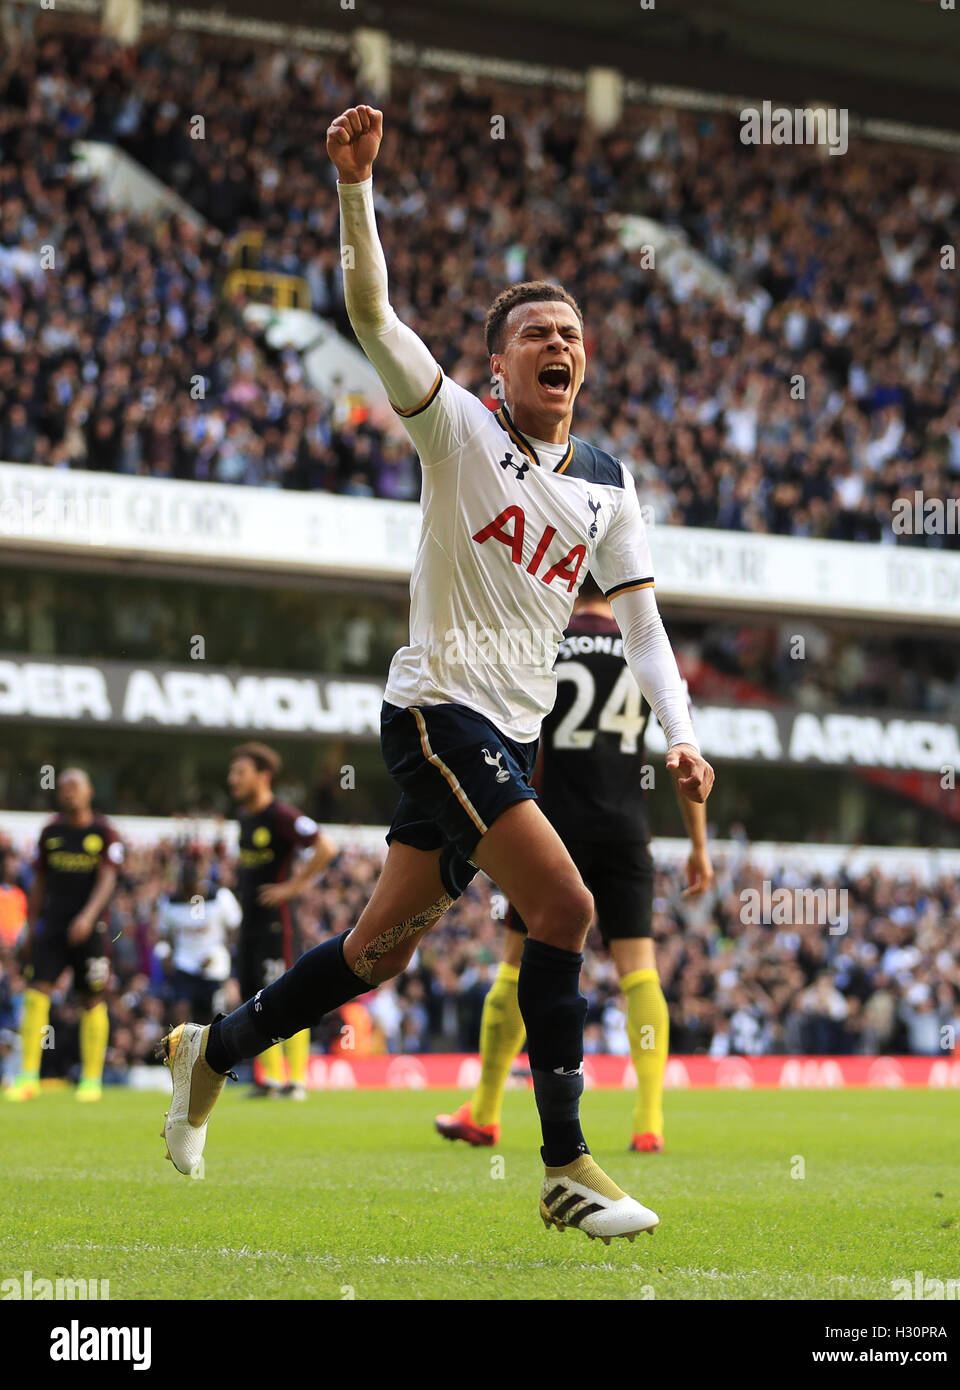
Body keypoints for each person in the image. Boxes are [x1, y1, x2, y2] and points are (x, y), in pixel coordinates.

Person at [160, 106, 713, 1246]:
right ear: (497, 360)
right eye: (535, 335)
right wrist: (355, 189)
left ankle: (208, 1051)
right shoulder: (455, 428)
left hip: (507, 738)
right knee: (564, 903)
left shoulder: (610, 487)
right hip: (434, 712)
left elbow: (648, 630)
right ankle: (565, 1164)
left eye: (572, 334)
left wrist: (681, 731)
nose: (559, 346)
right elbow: (370, 312)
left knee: (371, 953)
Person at [435, 575, 713, 1152]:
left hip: (549, 827)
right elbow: (686, 762)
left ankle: (485, 1112)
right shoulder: (645, 652)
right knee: (639, 968)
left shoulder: (544, 643)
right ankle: (649, 1122)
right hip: (625, 830)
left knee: (516, 963)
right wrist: (698, 848)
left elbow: (508, 734)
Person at [227, 743, 338, 1099]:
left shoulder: (282, 815)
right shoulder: (244, 819)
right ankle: (271, 1079)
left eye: (239, 773)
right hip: (250, 924)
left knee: (284, 995)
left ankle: (298, 1080)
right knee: (254, 997)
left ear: (263, 776)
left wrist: (291, 887)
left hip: (278, 924)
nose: (232, 780)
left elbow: (326, 847)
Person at [7, 769, 123, 1102]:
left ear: (89, 792)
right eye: (64, 787)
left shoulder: (104, 832)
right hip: (53, 927)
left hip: (91, 930)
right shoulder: (51, 832)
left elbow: (107, 879)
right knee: (36, 994)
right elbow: (40, 883)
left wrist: (87, 917)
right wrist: (31, 925)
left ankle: (91, 1079)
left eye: (75, 786)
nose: (68, 792)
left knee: (91, 998)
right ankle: (28, 1076)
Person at [156, 851, 242, 1026]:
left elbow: (235, 928)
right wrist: (166, 954)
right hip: (184, 962)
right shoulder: (169, 904)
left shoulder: (220, 898)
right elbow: (165, 935)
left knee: (215, 1015)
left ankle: (212, 1051)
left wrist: (223, 953)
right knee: (181, 1011)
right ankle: (182, 1052)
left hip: (214, 963)